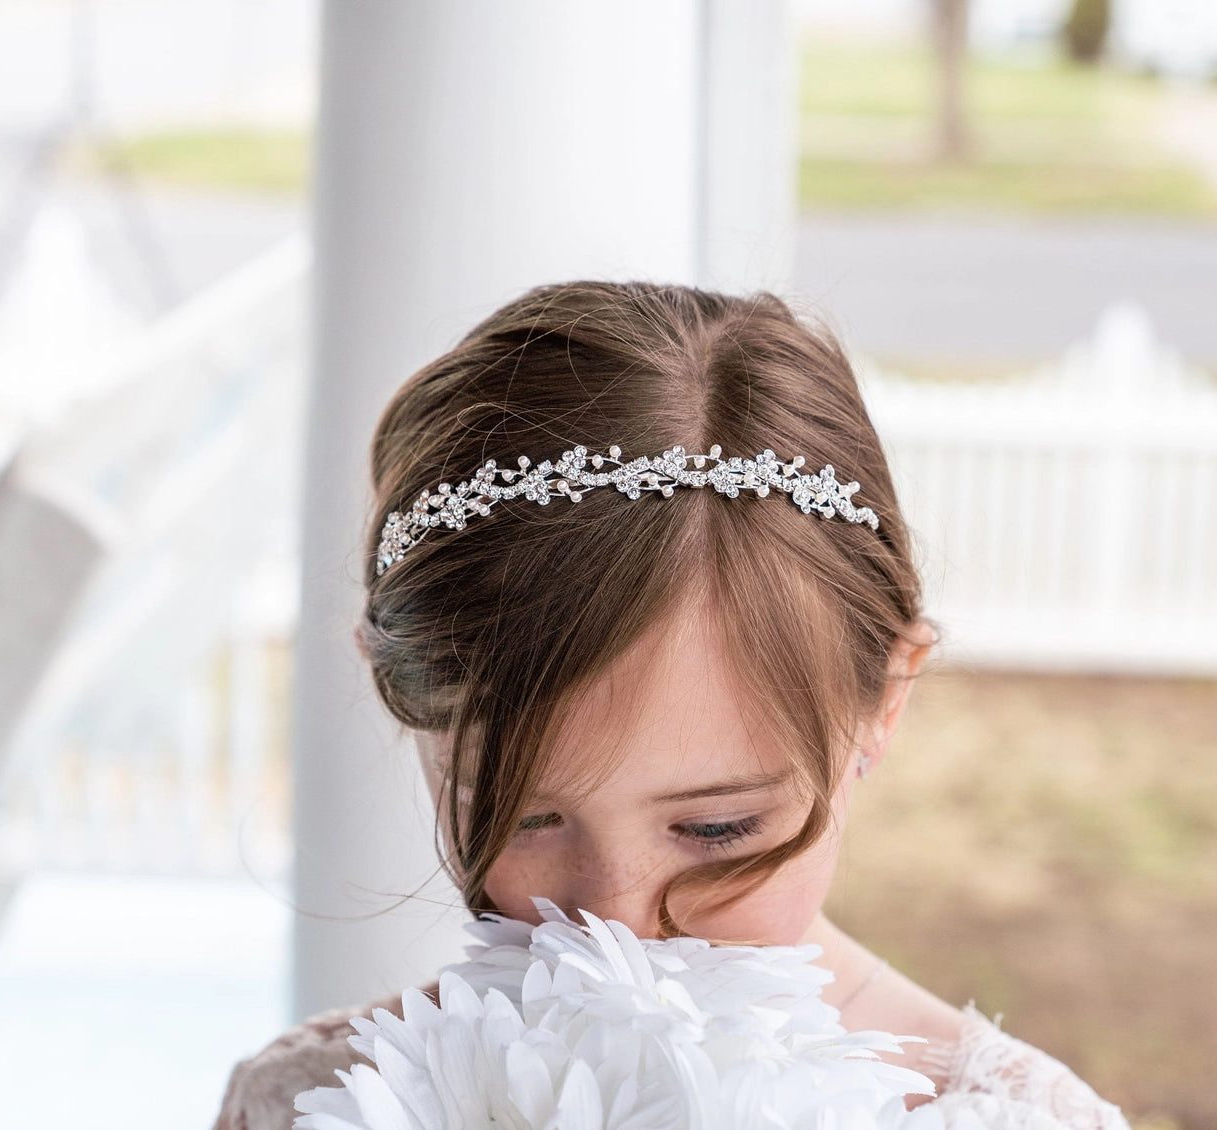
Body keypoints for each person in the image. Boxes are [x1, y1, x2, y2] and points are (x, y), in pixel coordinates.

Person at [213, 282, 1131, 1130]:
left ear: (882, 702)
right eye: (526, 816)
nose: (616, 917)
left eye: (718, 829)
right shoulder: (309, 1102)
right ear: (406, 707)